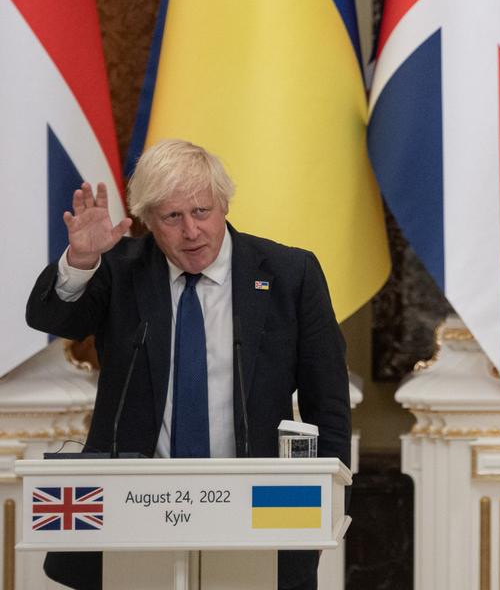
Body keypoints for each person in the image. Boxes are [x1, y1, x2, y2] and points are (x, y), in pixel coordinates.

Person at [26, 139, 351, 590]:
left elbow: (328, 403)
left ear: (223, 205)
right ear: (147, 220)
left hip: (258, 511)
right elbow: (51, 318)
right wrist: (82, 261)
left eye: (201, 212)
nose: (191, 232)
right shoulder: (119, 268)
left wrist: (328, 505)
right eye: (172, 217)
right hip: (132, 511)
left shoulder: (288, 274)